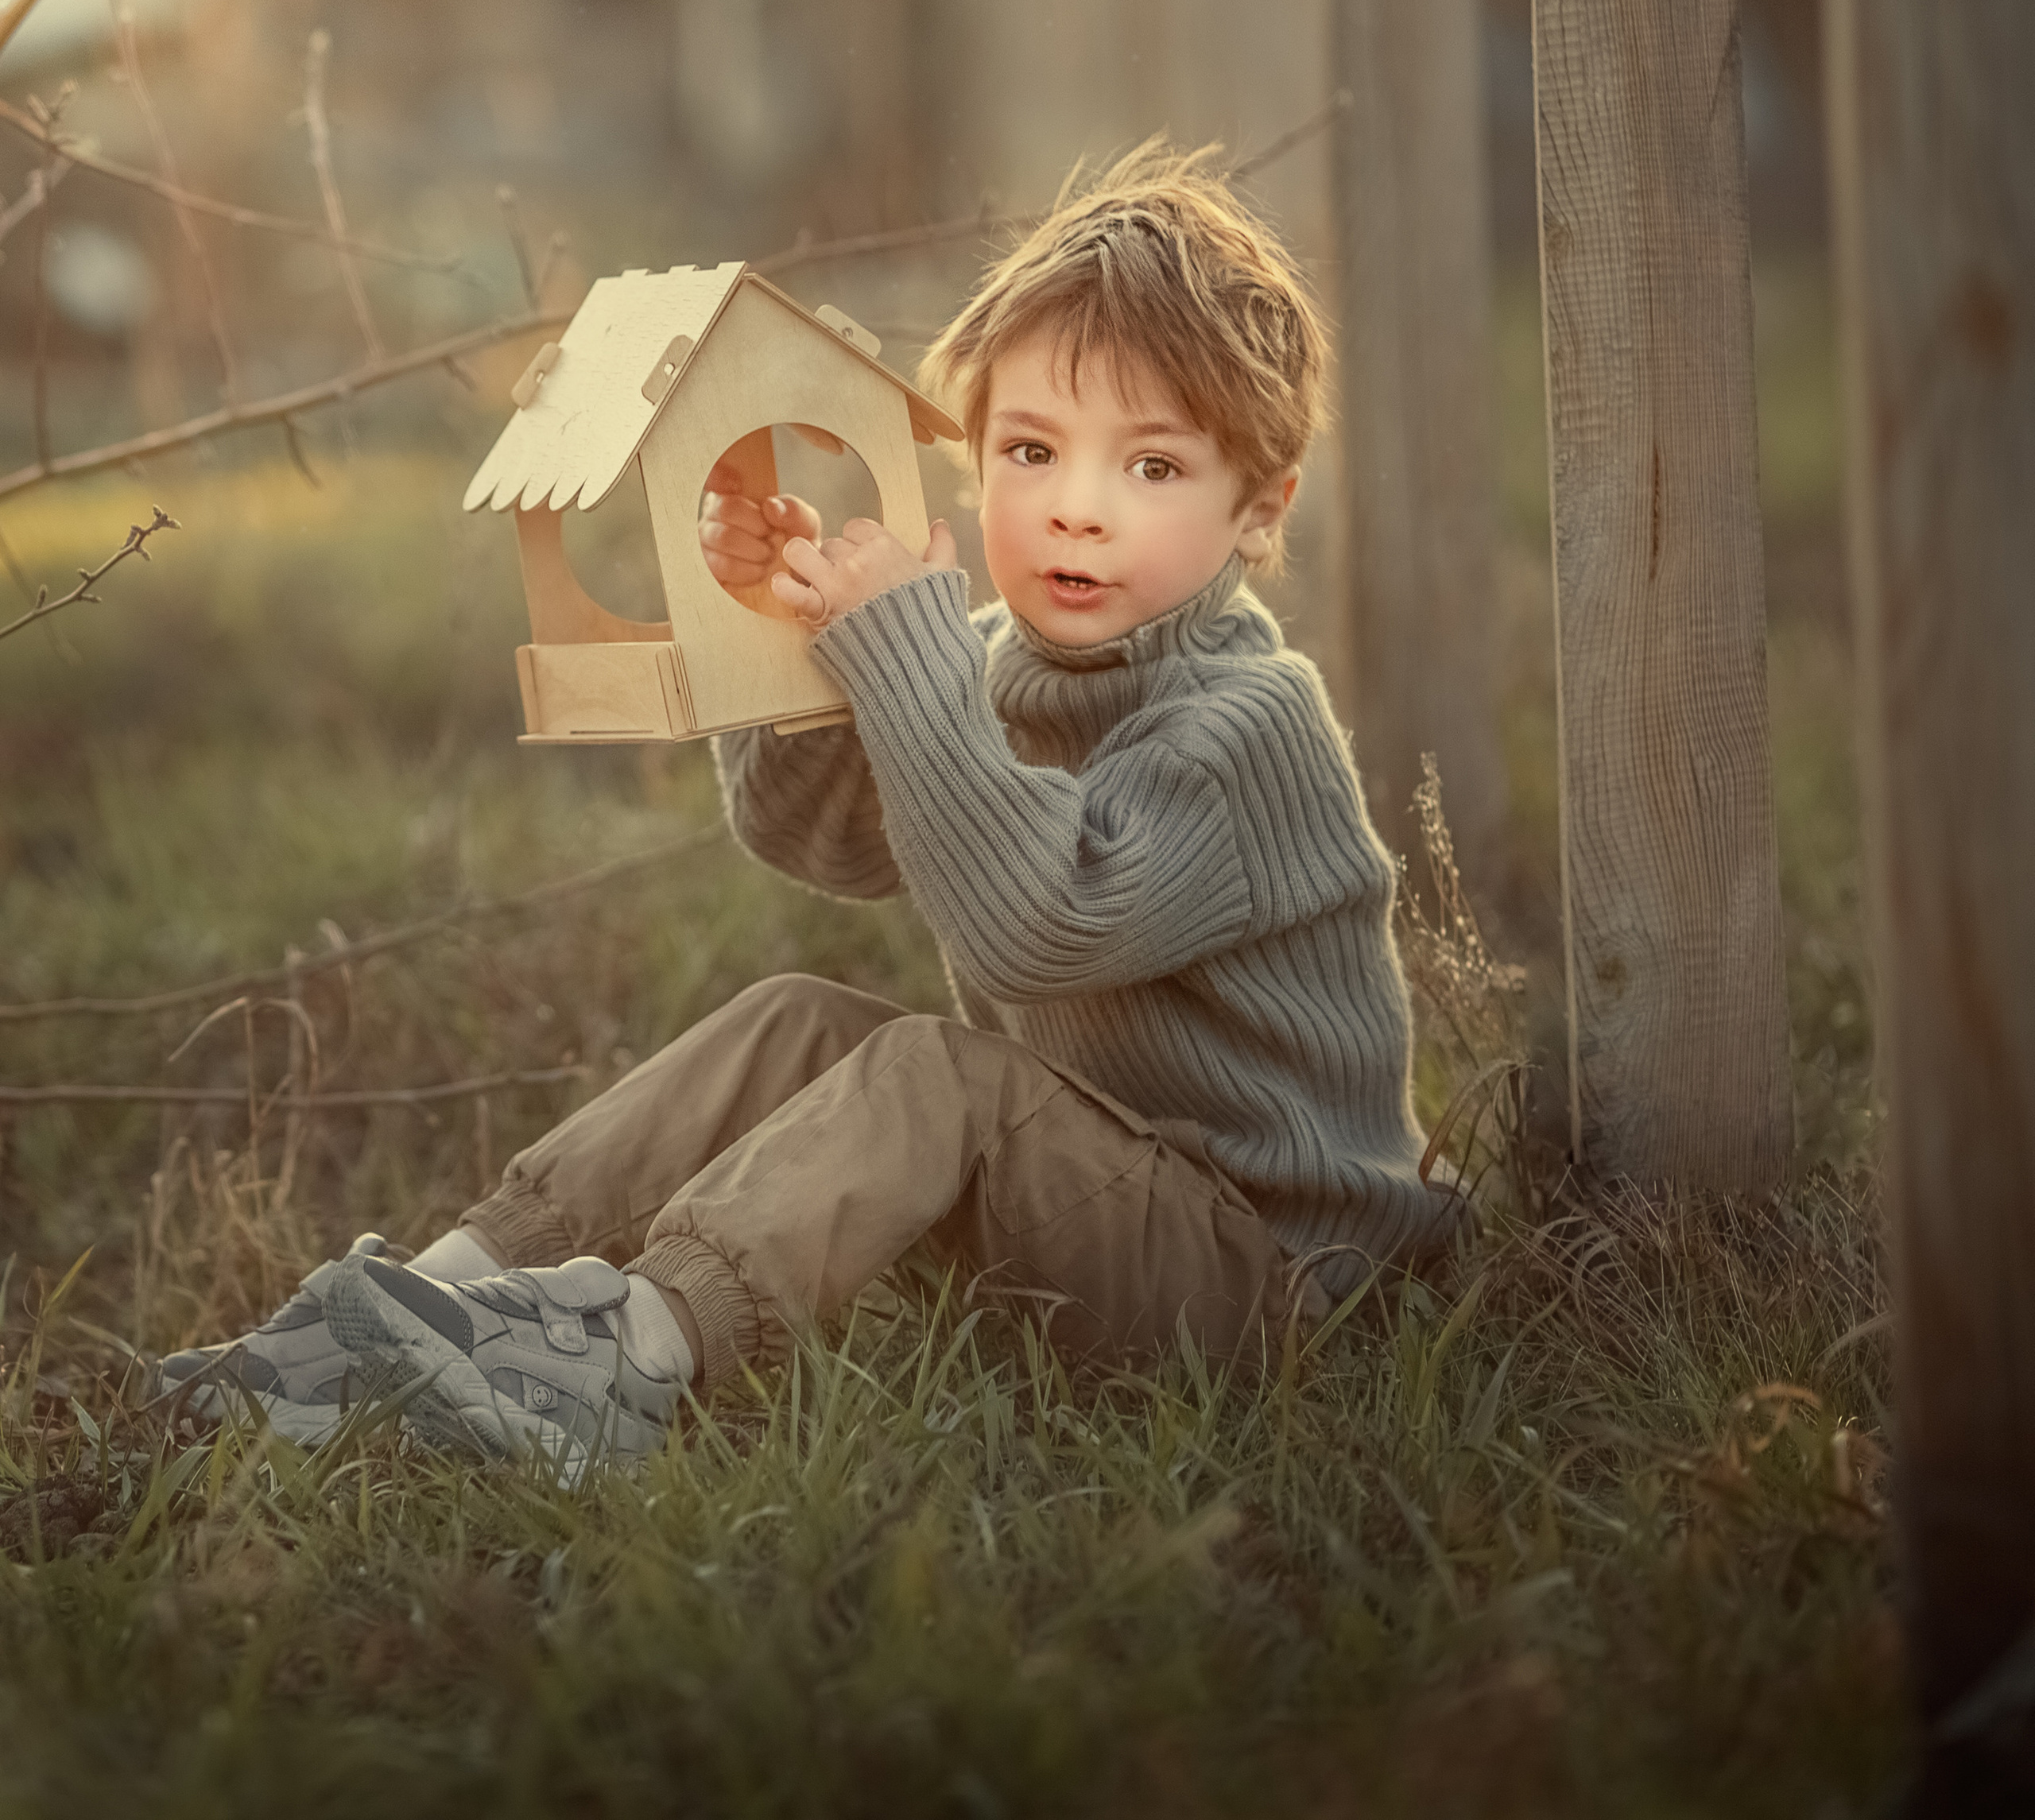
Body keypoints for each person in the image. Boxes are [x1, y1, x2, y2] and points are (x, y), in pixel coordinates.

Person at [157, 145, 1463, 1476]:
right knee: (797, 1018)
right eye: (1032, 448)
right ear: (972, 461)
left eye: (1155, 469)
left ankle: (634, 1353)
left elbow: (1043, 925)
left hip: (1273, 1282)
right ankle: (426, 1301)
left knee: (933, 1073)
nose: (1077, 506)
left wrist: (909, 664)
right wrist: (805, 659)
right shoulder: (1009, 667)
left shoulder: (1249, 728)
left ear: (1260, 508)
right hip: (1101, 1203)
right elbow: (827, 841)